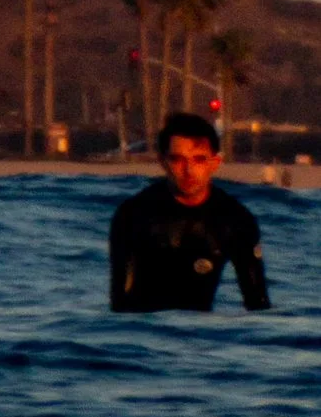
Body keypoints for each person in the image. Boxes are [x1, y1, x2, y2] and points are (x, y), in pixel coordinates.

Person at [109, 112, 270, 312]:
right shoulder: (134, 215)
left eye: (199, 160)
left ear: (215, 163)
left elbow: (258, 303)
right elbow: (118, 303)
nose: (189, 170)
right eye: (178, 160)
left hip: (201, 334)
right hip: (143, 332)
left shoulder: (235, 220)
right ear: (162, 161)